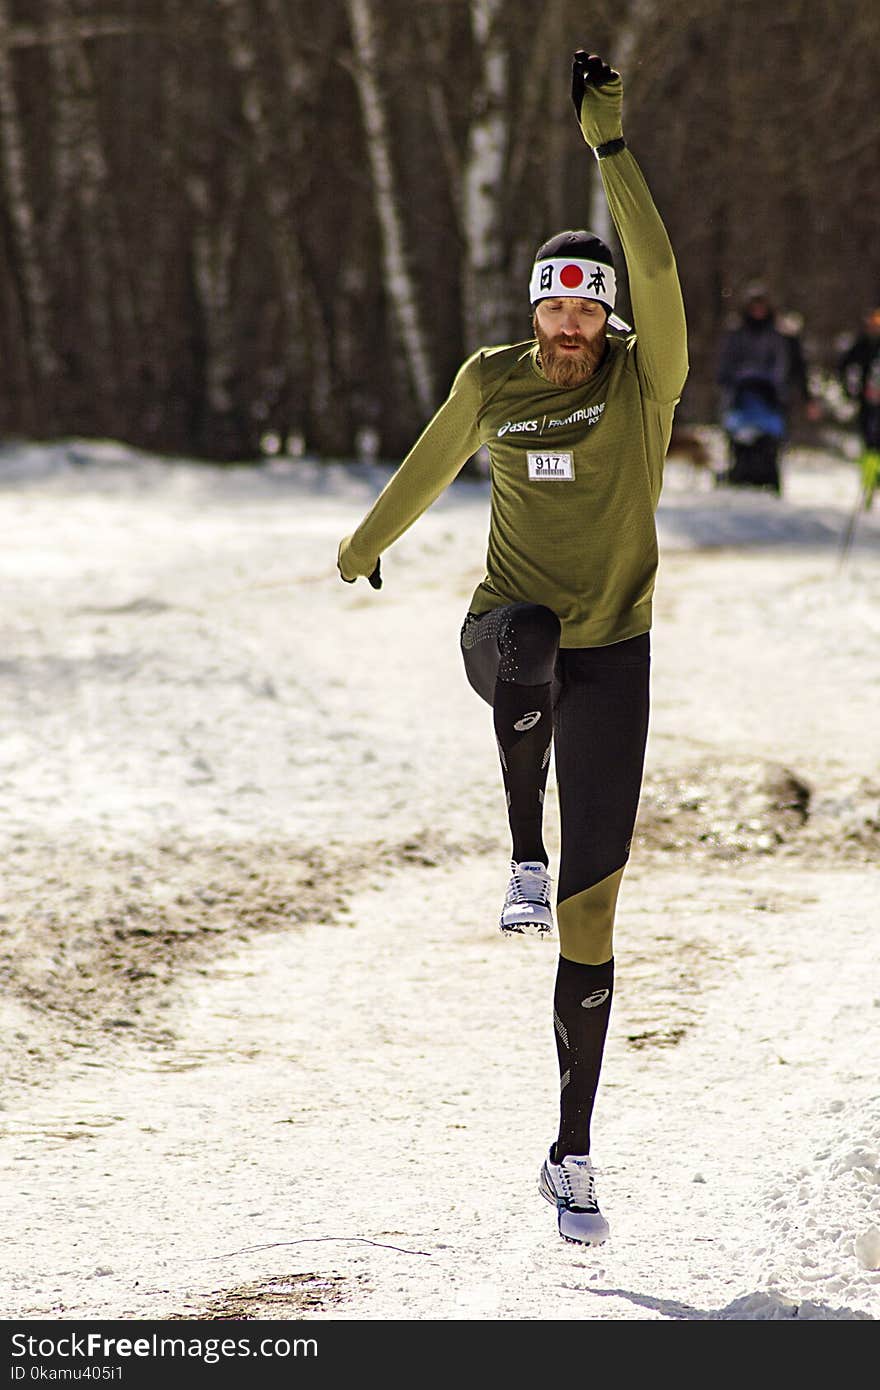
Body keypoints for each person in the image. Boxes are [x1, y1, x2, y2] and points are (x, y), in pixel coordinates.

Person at [337, 52, 687, 1246]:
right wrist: (361, 544)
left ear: (607, 318)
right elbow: (429, 464)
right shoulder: (493, 379)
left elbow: (662, 272)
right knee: (530, 634)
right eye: (555, 303)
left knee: (597, 919)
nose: (571, 324)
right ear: (531, 309)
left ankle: (572, 1150)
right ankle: (518, 852)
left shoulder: (647, 386)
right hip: (506, 639)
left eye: (589, 305)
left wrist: (611, 146)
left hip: (618, 657)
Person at [717, 283, 791, 492]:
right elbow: (727, 363)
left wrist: (772, 387)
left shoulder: (775, 336)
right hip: (741, 396)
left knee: (768, 440)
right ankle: (740, 472)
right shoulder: (737, 334)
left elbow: (781, 365)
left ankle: (767, 475)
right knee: (740, 438)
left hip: (767, 397)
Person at [838, 304, 880, 509]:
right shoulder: (863, 345)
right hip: (869, 407)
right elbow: (845, 367)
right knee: (870, 448)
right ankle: (868, 485)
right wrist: (851, 392)